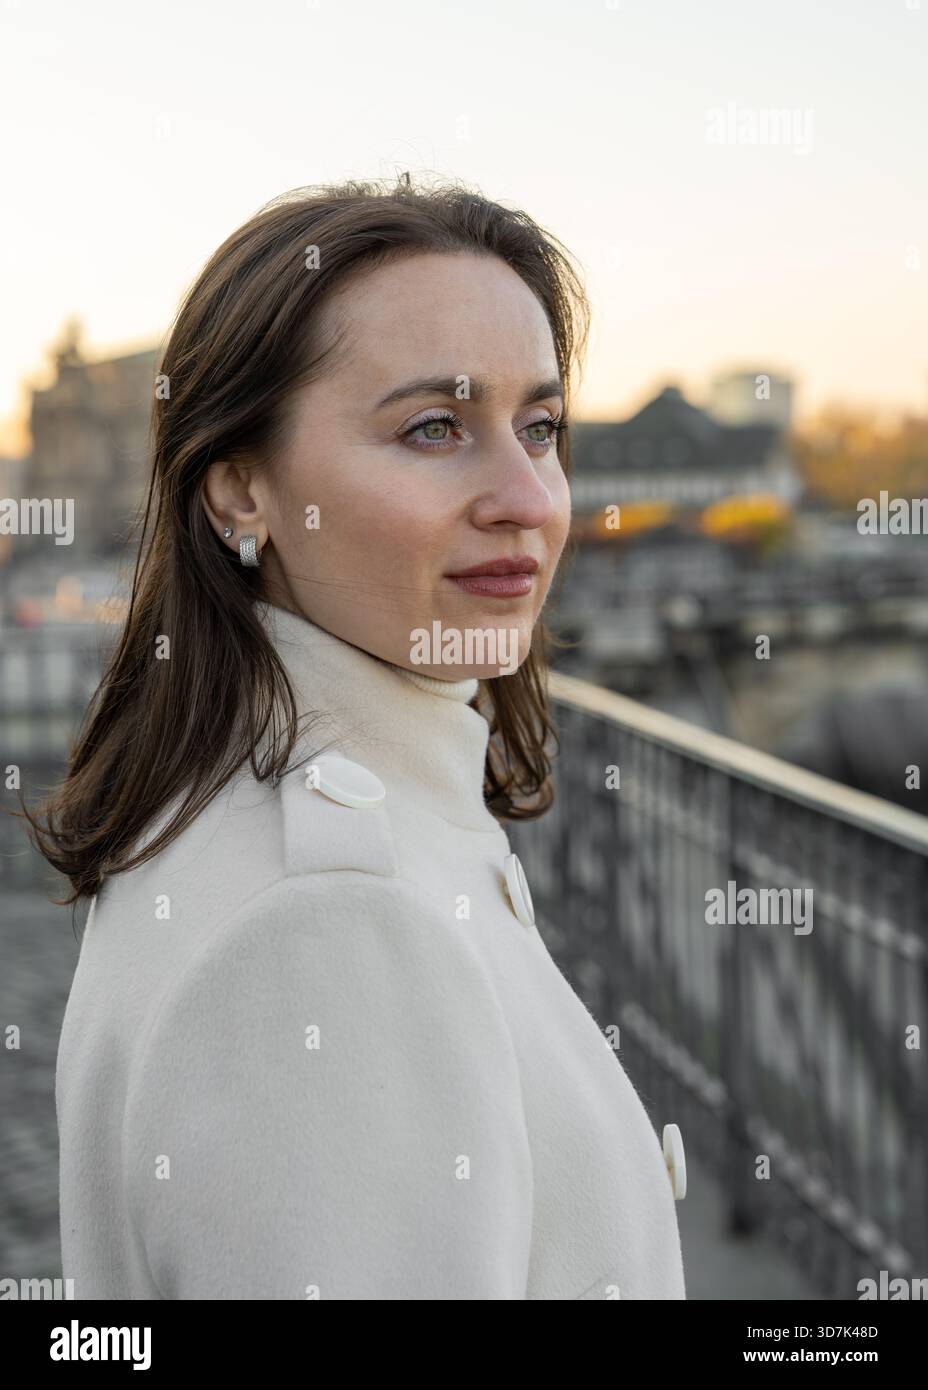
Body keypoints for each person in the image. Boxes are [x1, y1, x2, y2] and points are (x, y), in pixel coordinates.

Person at [30, 174, 686, 1299]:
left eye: (538, 426)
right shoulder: (326, 927)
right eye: (434, 427)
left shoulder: (238, 795)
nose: (528, 495)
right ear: (240, 492)